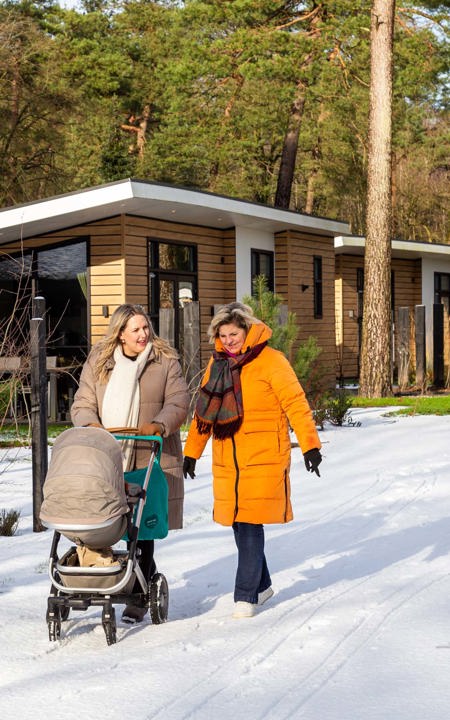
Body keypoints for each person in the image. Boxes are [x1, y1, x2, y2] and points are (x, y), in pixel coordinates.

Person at [183, 302, 322, 619]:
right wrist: (192, 452)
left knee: (248, 522)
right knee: (238, 520)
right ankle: (263, 585)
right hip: (227, 457)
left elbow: (295, 403)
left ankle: (245, 596)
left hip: (263, 455)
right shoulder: (217, 364)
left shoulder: (272, 360)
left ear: (247, 330)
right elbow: (204, 412)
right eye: (223, 335)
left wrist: (310, 446)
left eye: (233, 334)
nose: (229, 341)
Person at [71, 303, 189, 623]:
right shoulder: (100, 361)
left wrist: (160, 424)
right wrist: (90, 425)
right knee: (108, 522)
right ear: (120, 333)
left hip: (148, 452)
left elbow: (179, 401)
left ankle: (137, 596)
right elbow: (82, 402)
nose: (143, 333)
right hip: (108, 455)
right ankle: (108, 577)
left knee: (142, 526)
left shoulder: (165, 360)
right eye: (135, 329)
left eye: (145, 327)